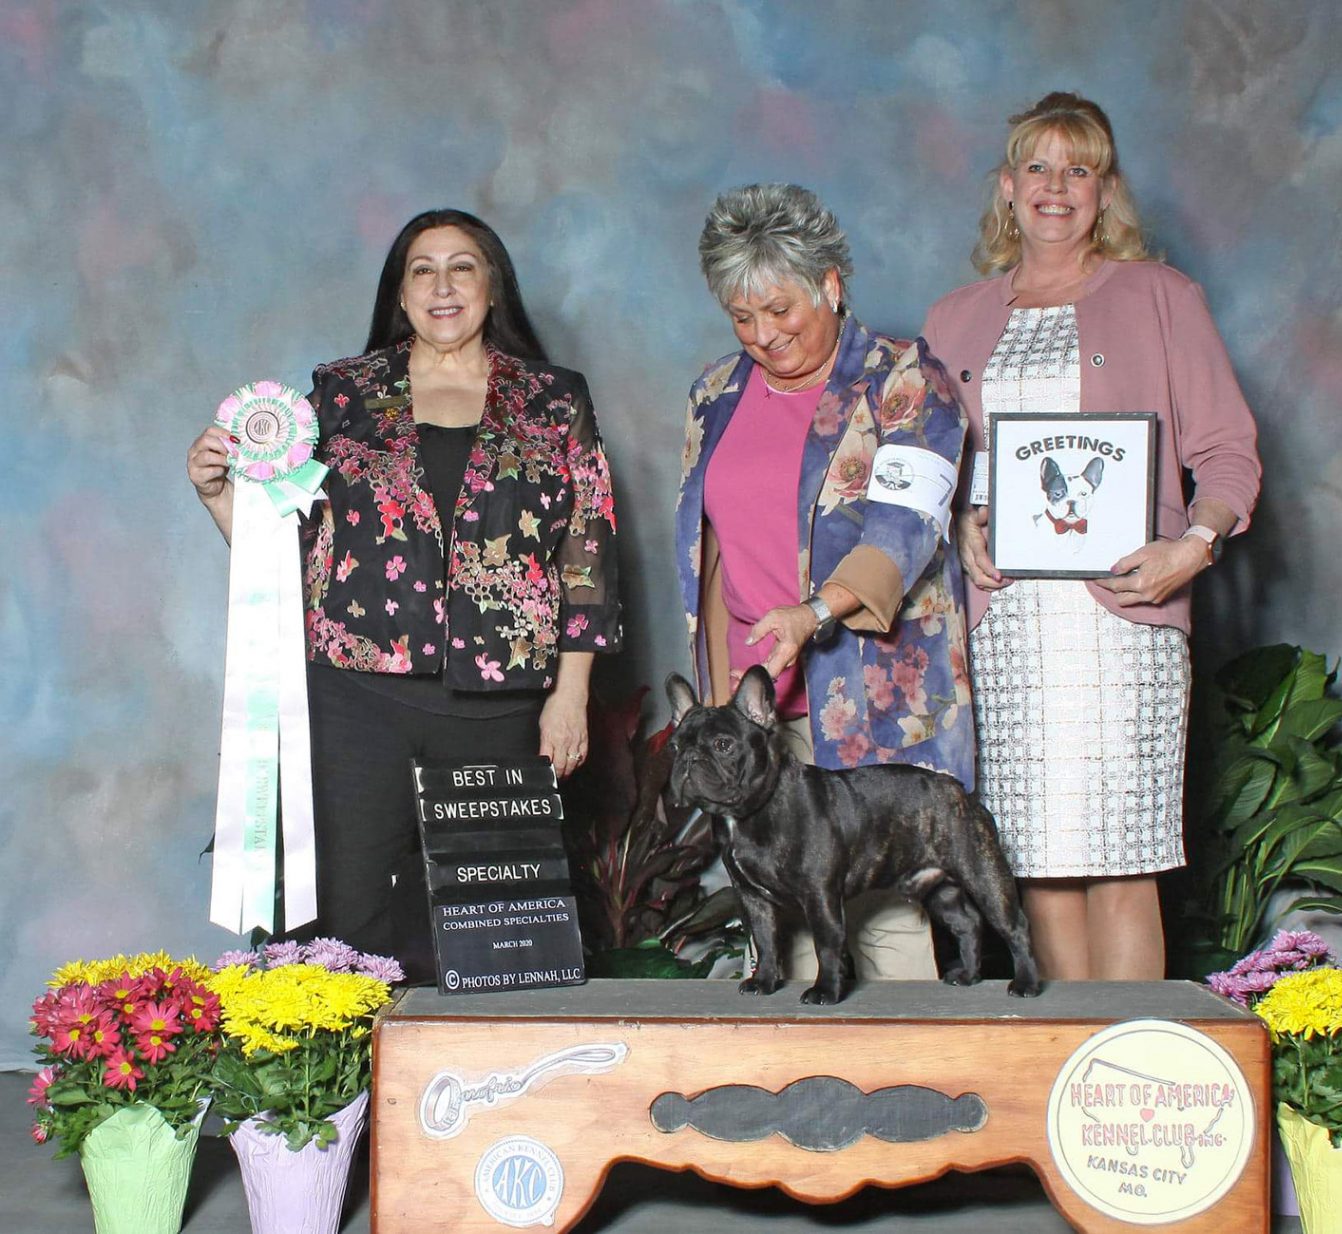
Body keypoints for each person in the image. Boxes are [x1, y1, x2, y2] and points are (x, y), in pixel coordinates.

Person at [187, 209, 621, 976]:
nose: (442, 285)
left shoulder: (554, 399)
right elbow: (293, 552)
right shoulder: (341, 394)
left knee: (501, 937)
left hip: (501, 702)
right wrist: (221, 496)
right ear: (400, 292)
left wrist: (571, 693)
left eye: (462, 266)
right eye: (423, 269)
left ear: (494, 287)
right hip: (355, 698)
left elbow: (588, 550)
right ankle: (348, 1059)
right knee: (344, 920)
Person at [922, 93, 1261, 981]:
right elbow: (927, 467)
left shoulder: (1161, 296)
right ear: (1006, 186)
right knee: (1035, 862)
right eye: (1036, 167)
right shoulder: (952, 318)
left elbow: (1228, 451)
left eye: (1078, 169)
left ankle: (1130, 1058)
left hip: (1123, 617)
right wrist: (957, 527)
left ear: (1105, 192)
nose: (1055, 186)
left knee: (1120, 859)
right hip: (1006, 625)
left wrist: (1191, 546)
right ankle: (1066, 1055)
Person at [676, 183, 975, 982]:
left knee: (886, 927)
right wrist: (721, 697)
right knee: (778, 935)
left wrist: (813, 612)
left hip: (867, 694)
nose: (763, 334)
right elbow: (712, 553)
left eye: (780, 309)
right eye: (742, 317)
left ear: (830, 284)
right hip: (755, 714)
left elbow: (906, 525)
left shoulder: (901, 379)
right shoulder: (714, 394)